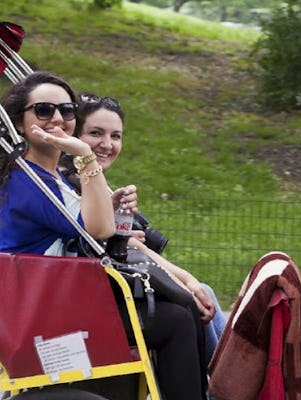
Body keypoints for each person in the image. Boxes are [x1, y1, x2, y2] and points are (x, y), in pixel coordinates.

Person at [0, 71, 206, 400]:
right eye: (43, 110)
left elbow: (90, 223)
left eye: (67, 111)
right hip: (51, 320)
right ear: (19, 123)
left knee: (178, 312)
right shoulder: (28, 184)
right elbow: (99, 229)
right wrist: (85, 158)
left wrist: (104, 200)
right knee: (175, 322)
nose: (57, 118)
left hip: (65, 301)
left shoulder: (47, 175)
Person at [69, 92, 227, 366]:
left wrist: (123, 231)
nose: (107, 144)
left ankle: (229, 382)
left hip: (115, 283)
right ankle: (229, 385)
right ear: (75, 136)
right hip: (96, 297)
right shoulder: (75, 184)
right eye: (96, 133)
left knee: (203, 293)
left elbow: (127, 243)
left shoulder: (92, 182)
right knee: (198, 297)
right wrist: (184, 279)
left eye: (116, 136)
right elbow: (126, 245)